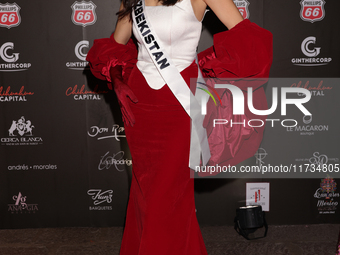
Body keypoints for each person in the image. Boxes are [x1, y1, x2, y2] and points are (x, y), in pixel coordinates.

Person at [86, 0, 272, 254]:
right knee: (146, 191)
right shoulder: (132, 0)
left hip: (180, 103)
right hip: (138, 103)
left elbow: (247, 39)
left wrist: (214, 68)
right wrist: (117, 78)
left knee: (167, 194)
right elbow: (116, 44)